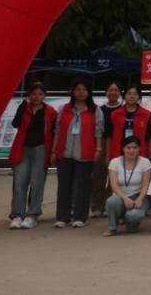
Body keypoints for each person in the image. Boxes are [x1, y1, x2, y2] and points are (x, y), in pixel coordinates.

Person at [52, 79, 104, 228]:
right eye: (77, 89)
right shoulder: (64, 109)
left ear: (88, 92)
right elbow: (57, 130)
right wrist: (54, 151)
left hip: (85, 153)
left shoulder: (95, 110)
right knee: (64, 186)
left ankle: (80, 217)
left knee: (83, 186)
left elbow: (98, 132)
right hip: (65, 153)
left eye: (84, 89)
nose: (81, 92)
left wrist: (98, 149)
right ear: (72, 91)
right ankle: (62, 217)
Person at [9, 82, 56, 229]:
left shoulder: (51, 111)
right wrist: (23, 105)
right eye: (34, 94)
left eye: (40, 94)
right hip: (23, 149)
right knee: (19, 183)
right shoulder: (24, 108)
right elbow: (15, 123)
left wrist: (53, 152)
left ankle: (32, 215)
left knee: (37, 183)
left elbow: (55, 132)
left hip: (41, 150)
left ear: (44, 96)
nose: (37, 97)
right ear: (29, 95)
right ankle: (17, 215)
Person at [103, 135, 151, 236]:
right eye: (128, 148)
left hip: (138, 196)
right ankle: (112, 227)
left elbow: (145, 185)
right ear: (123, 148)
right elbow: (114, 185)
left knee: (133, 219)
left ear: (139, 148)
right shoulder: (114, 162)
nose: (131, 151)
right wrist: (125, 198)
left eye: (135, 147)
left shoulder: (145, 162)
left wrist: (139, 199)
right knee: (111, 201)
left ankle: (131, 221)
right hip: (120, 196)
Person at [91, 81, 122, 218]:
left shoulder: (123, 109)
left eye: (116, 90)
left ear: (119, 93)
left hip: (117, 145)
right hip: (100, 144)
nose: (113, 93)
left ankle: (108, 205)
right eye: (110, 90)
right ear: (106, 92)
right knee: (98, 177)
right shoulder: (99, 110)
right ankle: (96, 206)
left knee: (113, 178)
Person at [106, 85, 151, 160]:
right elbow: (109, 136)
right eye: (129, 94)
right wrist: (107, 155)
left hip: (140, 153)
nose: (132, 96)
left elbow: (150, 136)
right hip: (118, 152)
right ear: (124, 96)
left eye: (135, 94)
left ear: (139, 97)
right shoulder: (114, 114)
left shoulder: (146, 115)